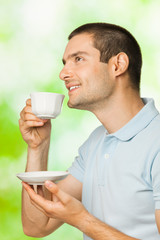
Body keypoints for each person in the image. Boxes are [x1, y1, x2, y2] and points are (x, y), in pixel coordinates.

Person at [19, 23, 160, 240]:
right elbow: (37, 226)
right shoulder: (96, 142)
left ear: (118, 65)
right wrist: (38, 147)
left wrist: (82, 220)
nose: (63, 73)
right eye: (65, 63)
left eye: (78, 59)